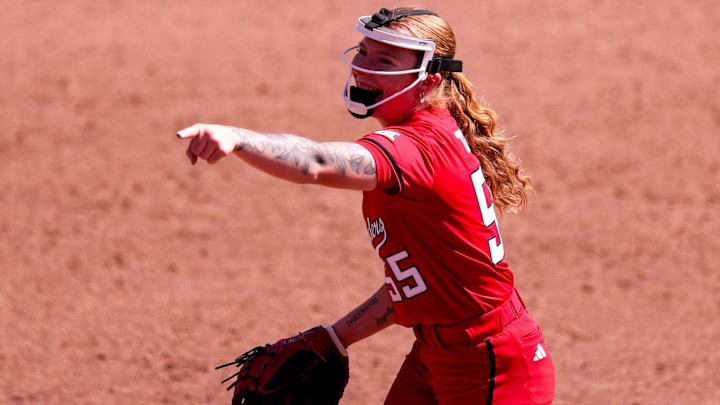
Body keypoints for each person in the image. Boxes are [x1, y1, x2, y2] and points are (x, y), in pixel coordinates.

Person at [177, 7, 555, 405]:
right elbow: (420, 282)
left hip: (494, 364)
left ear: (428, 79)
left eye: (385, 60)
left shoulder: (417, 148)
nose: (363, 66)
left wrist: (238, 138)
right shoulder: (431, 131)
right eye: (362, 51)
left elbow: (316, 163)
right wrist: (339, 337)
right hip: (436, 354)